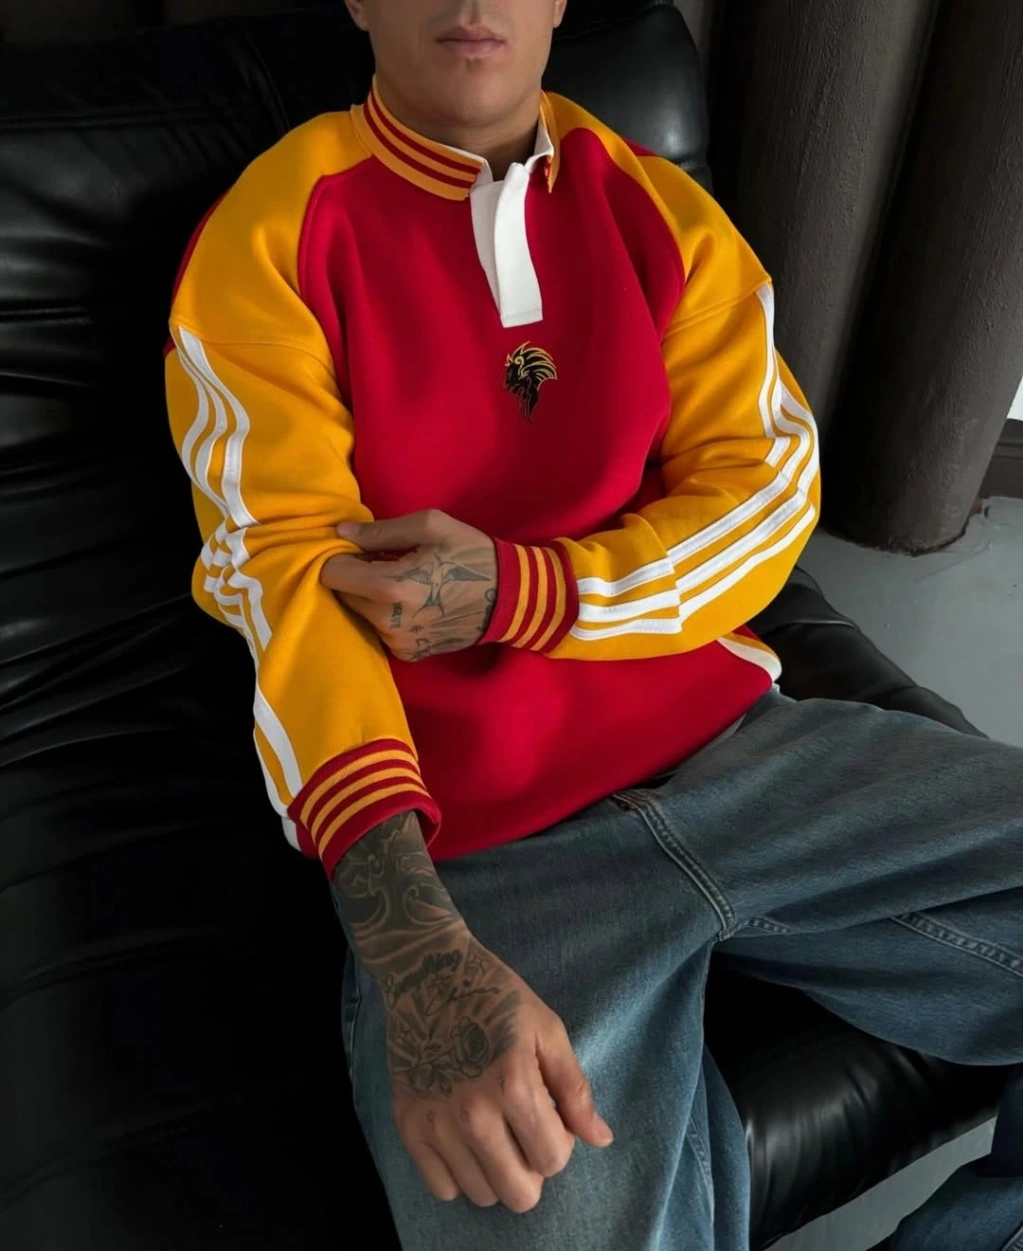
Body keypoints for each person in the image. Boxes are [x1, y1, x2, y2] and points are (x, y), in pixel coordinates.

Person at [164, 2, 1023, 1248]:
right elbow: (287, 590)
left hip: (749, 757)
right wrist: (419, 957)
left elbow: (766, 493)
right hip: (483, 854)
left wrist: (531, 591)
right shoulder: (275, 233)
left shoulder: (658, 210)